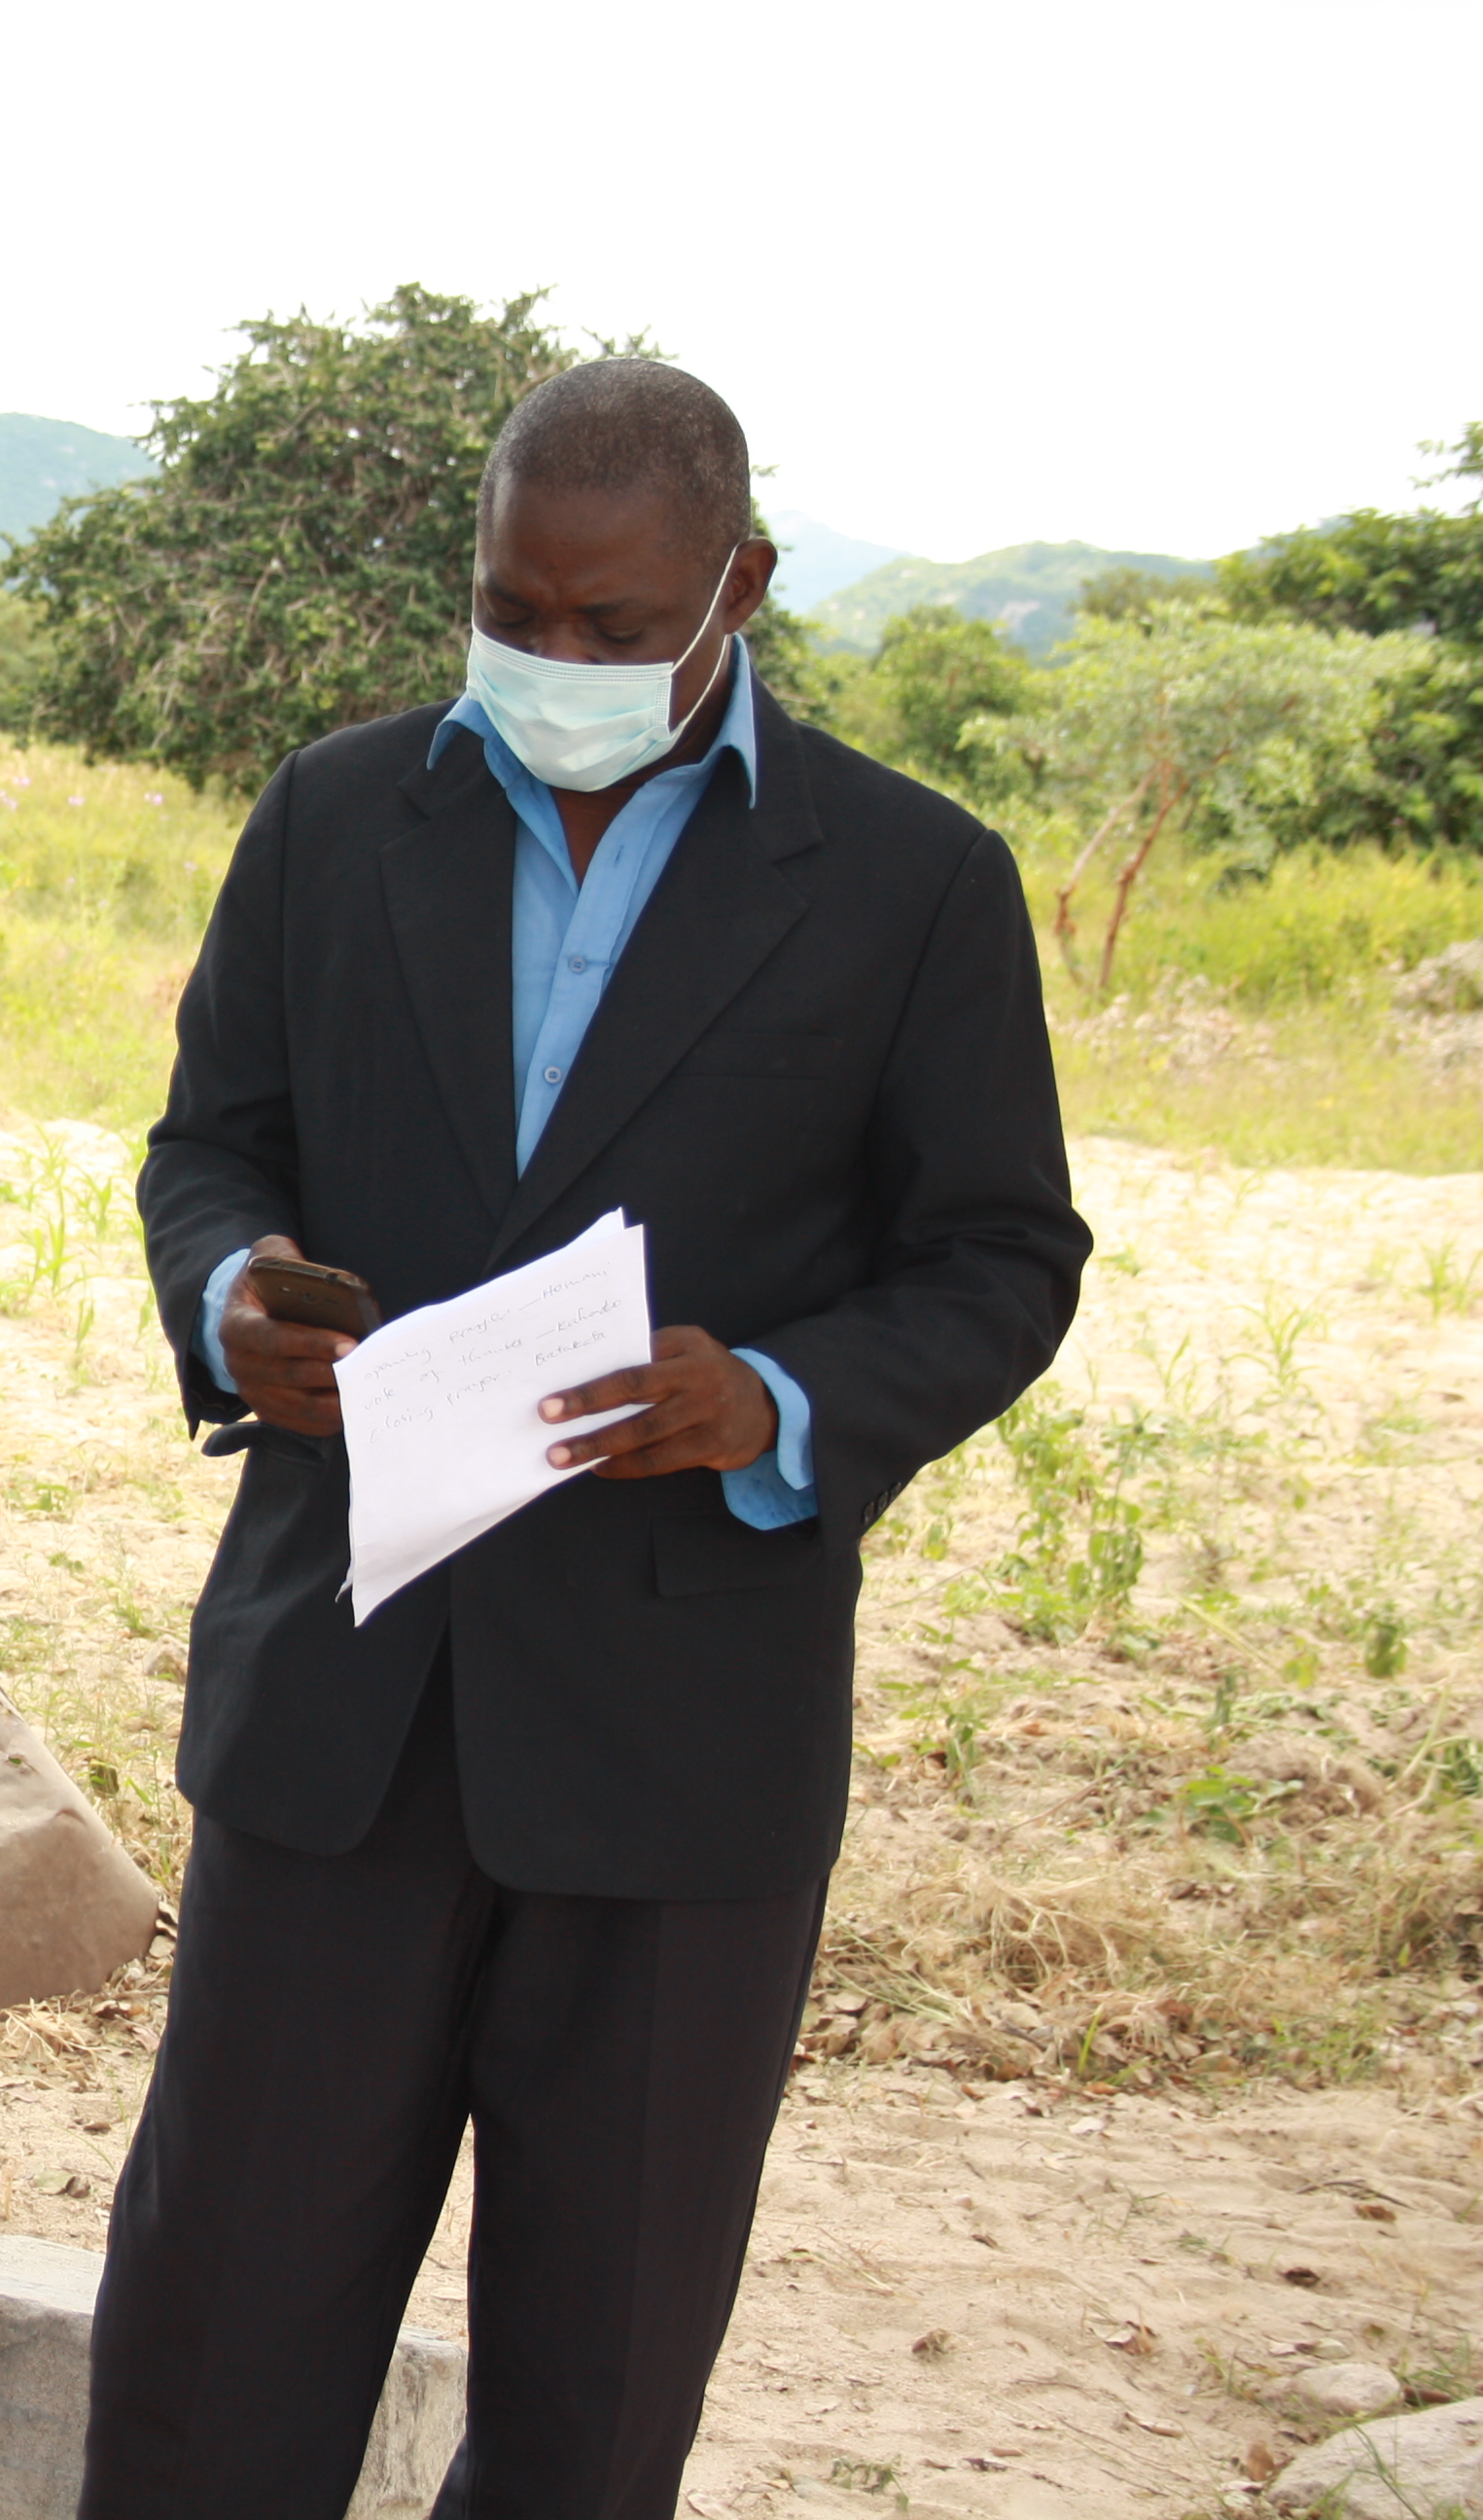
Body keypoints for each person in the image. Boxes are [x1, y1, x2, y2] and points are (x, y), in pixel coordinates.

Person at [89, 361, 1089, 2519]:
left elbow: (1004, 1259)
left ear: (737, 583)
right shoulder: (336, 817)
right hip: (340, 1707)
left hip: (680, 1744)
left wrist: (780, 1399)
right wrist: (232, 1291)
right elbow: (210, 1150)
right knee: (213, 2340)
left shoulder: (916, 881)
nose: (552, 660)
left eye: (614, 627)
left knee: (596, 2383)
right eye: (511, 610)